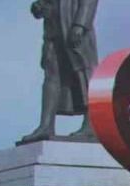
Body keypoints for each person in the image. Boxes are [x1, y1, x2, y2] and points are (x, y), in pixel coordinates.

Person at [18, 0, 100, 144]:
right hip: (53, 25)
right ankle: (46, 125)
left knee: (84, 72)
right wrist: (40, 5)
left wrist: (80, 24)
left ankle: (91, 125)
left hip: (72, 21)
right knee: (51, 74)